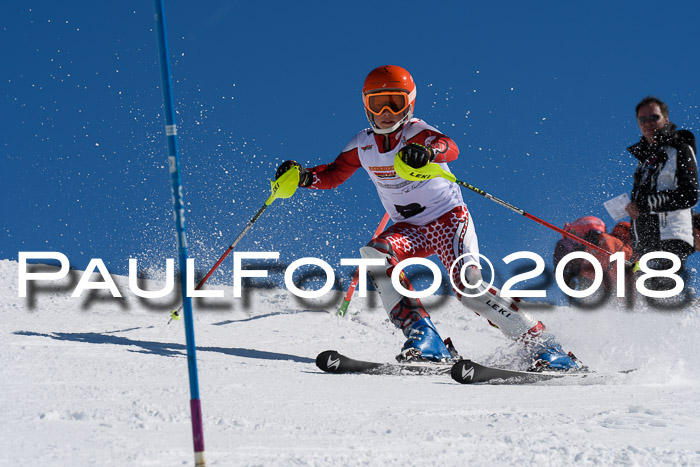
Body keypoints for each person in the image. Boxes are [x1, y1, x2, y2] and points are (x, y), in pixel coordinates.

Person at [275, 65, 582, 370]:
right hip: (411, 229)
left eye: (394, 103)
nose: (385, 112)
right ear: (365, 105)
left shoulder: (416, 133)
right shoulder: (362, 145)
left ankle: (546, 346)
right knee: (375, 254)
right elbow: (332, 174)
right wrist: (302, 177)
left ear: (408, 105)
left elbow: (450, 146)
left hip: (448, 220)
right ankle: (425, 336)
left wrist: (427, 152)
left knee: (469, 287)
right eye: (376, 103)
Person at [625, 96, 698, 291]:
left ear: (666, 119)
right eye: (642, 120)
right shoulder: (645, 160)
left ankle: (686, 317)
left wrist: (645, 204)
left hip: (670, 235)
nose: (648, 123)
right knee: (638, 293)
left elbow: (690, 194)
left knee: (656, 292)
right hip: (644, 239)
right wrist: (634, 209)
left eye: (654, 117)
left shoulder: (680, 149)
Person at [553, 216, 634, 300]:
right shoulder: (623, 245)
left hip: (594, 278)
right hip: (619, 286)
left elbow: (564, 246)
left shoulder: (583, 242)